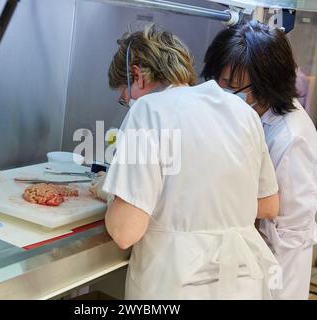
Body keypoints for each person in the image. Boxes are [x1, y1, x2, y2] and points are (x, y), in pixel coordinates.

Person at [90, 24, 280, 299]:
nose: (127, 104)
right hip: (242, 284)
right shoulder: (241, 110)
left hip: (177, 286)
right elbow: (267, 203)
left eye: (124, 97)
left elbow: (124, 231)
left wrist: (111, 193)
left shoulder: (149, 109)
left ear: (137, 77)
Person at [201, 20, 317, 300]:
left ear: (267, 83)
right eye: (218, 84)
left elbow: (285, 224)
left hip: (276, 270)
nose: (224, 96)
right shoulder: (251, 116)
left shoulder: (293, 137)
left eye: (233, 87)